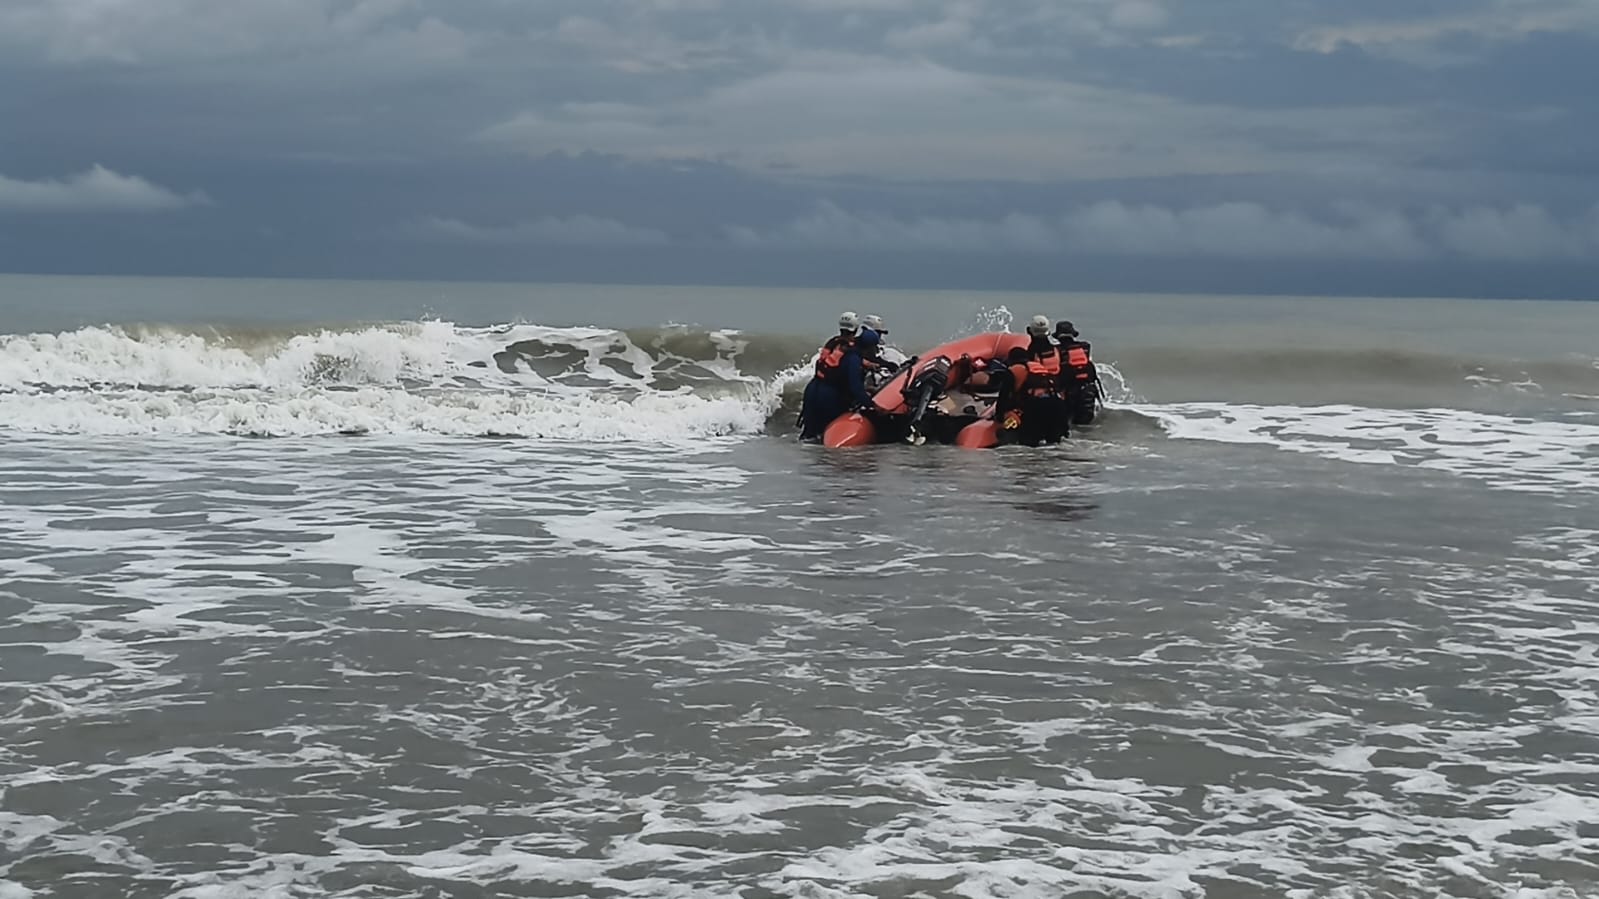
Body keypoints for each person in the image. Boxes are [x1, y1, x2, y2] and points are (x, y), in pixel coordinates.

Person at [994, 315, 1069, 446]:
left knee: (1029, 445)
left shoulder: (1015, 370)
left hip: (1036, 408)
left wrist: (1000, 419)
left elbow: (1003, 399)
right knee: (1054, 447)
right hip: (1059, 407)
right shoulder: (1045, 363)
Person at [800, 328, 880, 441]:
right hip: (828, 396)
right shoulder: (853, 357)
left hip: (812, 389)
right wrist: (871, 404)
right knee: (826, 433)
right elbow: (855, 387)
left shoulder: (838, 345)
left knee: (809, 435)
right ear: (868, 347)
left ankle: (804, 457)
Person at [1053, 320, 1101, 425]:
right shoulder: (1085, 347)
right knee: (1085, 424)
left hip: (1069, 390)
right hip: (1088, 389)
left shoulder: (1056, 350)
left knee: (1069, 421)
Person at [861, 314, 906, 389]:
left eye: (880, 334)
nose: (879, 337)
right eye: (878, 333)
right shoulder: (858, 350)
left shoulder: (890, 352)